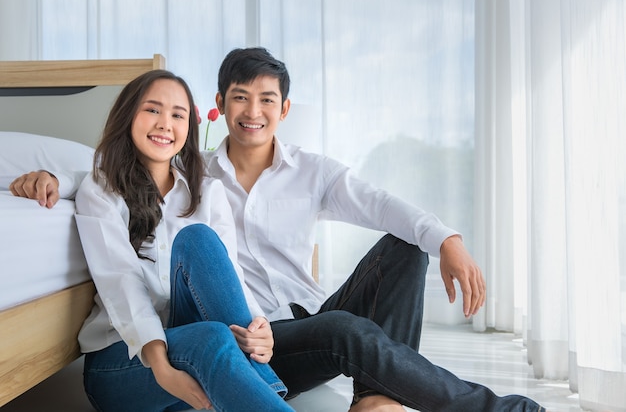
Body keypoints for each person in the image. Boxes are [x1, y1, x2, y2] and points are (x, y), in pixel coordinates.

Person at [11, 49, 544, 412]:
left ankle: (376, 399)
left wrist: (447, 237)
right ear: (219, 111)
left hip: (277, 324)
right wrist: (53, 175)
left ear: (283, 109)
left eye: (267, 99)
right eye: (240, 97)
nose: (254, 111)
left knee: (406, 248)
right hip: (239, 336)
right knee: (336, 329)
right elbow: (107, 178)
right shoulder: (192, 171)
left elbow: (379, 203)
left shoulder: (267, 177)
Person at [67, 69, 293, 412]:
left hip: (191, 349)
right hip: (124, 364)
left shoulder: (208, 191)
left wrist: (259, 325)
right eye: (153, 110)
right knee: (212, 339)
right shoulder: (101, 190)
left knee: (198, 240)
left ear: (189, 128)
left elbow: (229, 273)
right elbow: (121, 284)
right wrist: (161, 368)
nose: (164, 123)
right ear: (129, 115)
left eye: (177, 114)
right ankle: (266, 388)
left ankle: (259, 380)